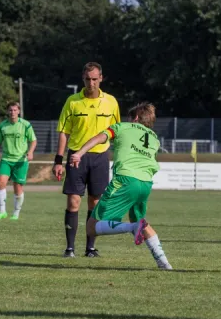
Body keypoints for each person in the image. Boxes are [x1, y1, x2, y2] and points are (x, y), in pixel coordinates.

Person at [69, 103, 172, 270]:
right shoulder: (154, 137)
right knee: (141, 221)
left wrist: (79, 153)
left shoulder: (122, 127)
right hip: (145, 183)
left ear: (136, 118)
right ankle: (164, 263)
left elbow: (99, 138)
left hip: (125, 180)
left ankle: (132, 228)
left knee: (91, 227)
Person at [54, 62, 121, 258]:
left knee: (95, 203)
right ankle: (69, 248)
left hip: (101, 156)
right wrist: (58, 161)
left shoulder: (111, 102)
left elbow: (116, 132)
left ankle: (90, 248)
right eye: (87, 79)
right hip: (76, 157)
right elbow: (64, 132)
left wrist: (119, 158)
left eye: (94, 79)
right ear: (83, 79)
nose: (91, 83)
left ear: (101, 78)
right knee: (73, 202)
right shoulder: (72, 102)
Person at [0, 102, 37, 220]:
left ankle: (16, 213)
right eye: (10, 110)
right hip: (6, 159)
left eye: (15, 110)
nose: (13, 112)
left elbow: (33, 140)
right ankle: (2, 211)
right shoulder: (2, 126)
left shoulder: (26, 125)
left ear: (19, 111)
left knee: (17, 187)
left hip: (21, 160)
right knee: (0, 182)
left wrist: (30, 152)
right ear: (7, 111)